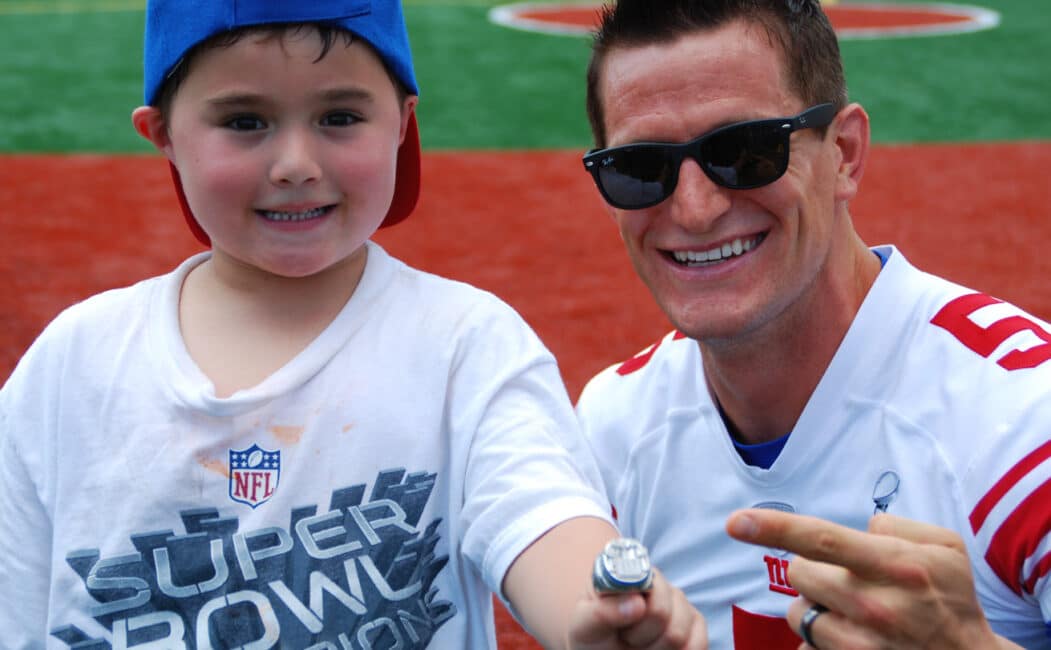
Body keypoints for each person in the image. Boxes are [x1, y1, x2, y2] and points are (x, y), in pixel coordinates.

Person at [0, 1, 708, 647]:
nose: (296, 165)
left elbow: (539, 512)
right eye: (244, 121)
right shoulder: (73, 363)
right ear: (162, 136)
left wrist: (594, 606)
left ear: (401, 124)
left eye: (340, 117)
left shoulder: (463, 343)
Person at [574, 1, 1051, 649]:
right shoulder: (615, 429)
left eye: (745, 151)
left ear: (845, 154)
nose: (693, 209)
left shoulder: (1022, 426)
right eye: (638, 169)